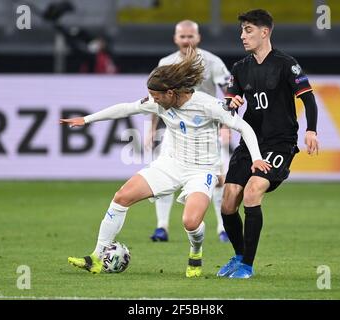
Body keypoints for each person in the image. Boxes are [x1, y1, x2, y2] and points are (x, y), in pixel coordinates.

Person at [60, 48, 271, 277]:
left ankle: (196, 251)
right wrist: (87, 120)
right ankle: (96, 256)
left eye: (157, 95)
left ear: (171, 92)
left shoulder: (208, 105)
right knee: (122, 197)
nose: (154, 99)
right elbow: (125, 108)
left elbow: (243, 127)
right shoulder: (158, 102)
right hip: (170, 165)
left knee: (191, 222)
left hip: (201, 172)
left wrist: (257, 157)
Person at [217, 9, 319, 279]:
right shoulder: (240, 68)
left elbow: (308, 99)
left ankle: (247, 267)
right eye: (241, 31)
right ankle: (239, 256)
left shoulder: (286, 64)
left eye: (248, 30)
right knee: (227, 203)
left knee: (252, 192)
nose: (242, 36)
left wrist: (311, 130)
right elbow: (228, 106)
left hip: (280, 143)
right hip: (250, 144)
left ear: (265, 32)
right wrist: (231, 104)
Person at [146, 20, 232, 243]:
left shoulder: (212, 62)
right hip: (175, 131)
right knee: (164, 175)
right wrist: (151, 129)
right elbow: (155, 99)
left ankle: (223, 228)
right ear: (176, 39)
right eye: (182, 37)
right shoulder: (166, 63)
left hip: (207, 132)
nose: (186, 41)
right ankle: (161, 227)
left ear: (198, 38)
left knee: (219, 178)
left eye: (190, 36)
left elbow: (229, 94)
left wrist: (226, 126)